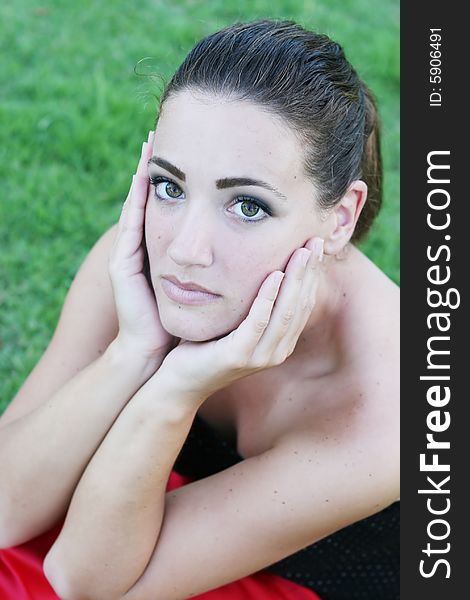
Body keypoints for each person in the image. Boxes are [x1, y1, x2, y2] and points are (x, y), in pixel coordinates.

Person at [0, 18, 399, 600]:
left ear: (339, 217)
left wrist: (175, 391)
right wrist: (132, 354)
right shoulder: (136, 258)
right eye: (170, 187)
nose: (186, 251)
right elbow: (8, 508)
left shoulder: (395, 403)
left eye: (248, 205)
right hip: (136, 532)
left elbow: (81, 583)